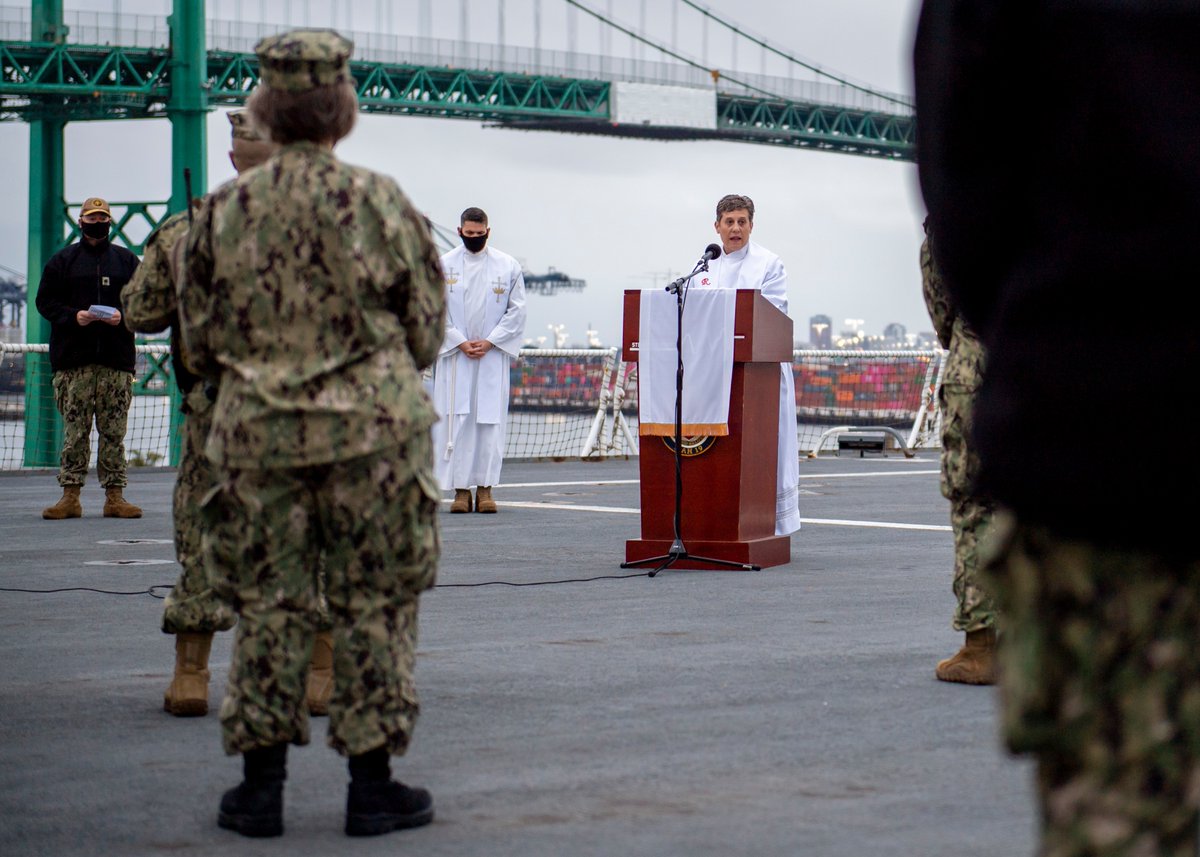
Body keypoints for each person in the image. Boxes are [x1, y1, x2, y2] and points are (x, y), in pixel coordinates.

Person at [915, 2, 1200, 852]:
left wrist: (1063, 331)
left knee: (1123, 812)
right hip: (1104, 440)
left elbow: (963, 199)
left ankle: (980, 636)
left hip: (1104, 453)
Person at [179, 29, 445, 838]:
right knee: (375, 604)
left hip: (259, 441)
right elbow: (428, 332)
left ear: (263, 109)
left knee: (268, 604)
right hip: (377, 443)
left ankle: (260, 789)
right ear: (342, 109)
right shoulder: (383, 200)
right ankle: (373, 785)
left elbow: (194, 341)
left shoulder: (222, 211)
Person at [122, 110, 337, 719]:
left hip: (218, 413)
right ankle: (321, 674)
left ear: (233, 158)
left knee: (205, 537)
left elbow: (139, 313)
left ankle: (191, 676)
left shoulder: (183, 229)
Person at [693, 194, 800, 536]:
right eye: (729, 222)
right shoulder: (704, 266)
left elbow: (772, 314)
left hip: (759, 373)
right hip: (714, 371)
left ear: (751, 225)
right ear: (717, 227)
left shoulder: (769, 264)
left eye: (742, 221)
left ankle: (767, 523)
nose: (736, 228)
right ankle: (719, 519)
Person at [919, 219, 997, 685]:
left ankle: (982, 646)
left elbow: (943, 310)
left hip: (981, 367)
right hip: (1060, 360)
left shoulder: (962, 207)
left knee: (975, 503)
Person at [35, 197, 143, 520]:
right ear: (80, 222)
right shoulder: (62, 261)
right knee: (75, 431)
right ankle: (70, 496)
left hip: (116, 363)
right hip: (73, 363)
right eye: (93, 218)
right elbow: (45, 302)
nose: (98, 224)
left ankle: (115, 497)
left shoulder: (127, 262)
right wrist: (73, 317)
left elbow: (145, 303)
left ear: (110, 222)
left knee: (114, 432)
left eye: (103, 218)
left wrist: (122, 317)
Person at [430, 206, 527, 514]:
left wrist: (489, 341)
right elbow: (432, 307)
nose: (474, 238)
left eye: (479, 234)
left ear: (488, 231)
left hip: (491, 357)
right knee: (456, 421)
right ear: (459, 232)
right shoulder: (443, 265)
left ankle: (485, 490)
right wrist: (458, 341)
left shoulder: (507, 266)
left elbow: (517, 311)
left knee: (489, 423)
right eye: (469, 234)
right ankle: (460, 492)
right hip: (456, 359)